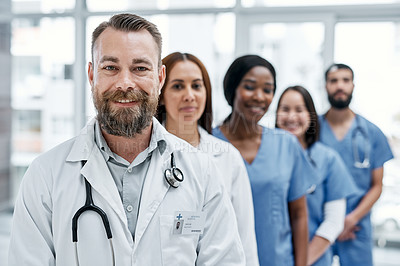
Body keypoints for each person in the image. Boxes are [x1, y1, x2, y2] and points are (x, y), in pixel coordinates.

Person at [8, 13, 246, 266]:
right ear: (91, 75)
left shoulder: (202, 172)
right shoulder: (45, 176)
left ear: (160, 77)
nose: (125, 83)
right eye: (110, 67)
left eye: (140, 68)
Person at [213, 55, 317, 266]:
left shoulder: (286, 145)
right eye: (250, 87)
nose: (260, 97)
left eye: (268, 90)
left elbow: (299, 215)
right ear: (232, 89)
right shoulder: (207, 144)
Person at [156, 52, 259, 265]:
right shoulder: (144, 155)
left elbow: (245, 239)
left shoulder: (227, 157)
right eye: (177, 86)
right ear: (160, 94)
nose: (189, 95)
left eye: (196, 86)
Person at [319, 63, 394, 265]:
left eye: (345, 80)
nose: (340, 86)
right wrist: (332, 224)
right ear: (325, 86)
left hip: (356, 226)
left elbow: (377, 185)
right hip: (318, 224)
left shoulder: (372, 132)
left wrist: (349, 220)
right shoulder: (311, 131)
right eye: (334, 81)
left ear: (353, 85)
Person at [275, 85, 357, 266]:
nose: (291, 117)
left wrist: (301, 262)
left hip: (313, 260)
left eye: (299, 110)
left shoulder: (327, 159)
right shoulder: (266, 156)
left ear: (311, 116)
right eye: (285, 109)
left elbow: (333, 222)